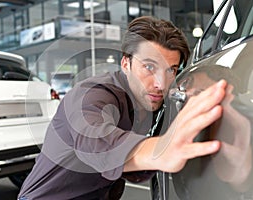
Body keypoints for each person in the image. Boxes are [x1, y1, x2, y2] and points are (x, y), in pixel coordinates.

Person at [18, 16, 227, 200]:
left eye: (170, 70)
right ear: (126, 63)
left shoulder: (154, 98)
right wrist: (162, 150)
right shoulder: (92, 94)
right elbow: (96, 141)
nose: (160, 84)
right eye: (149, 67)